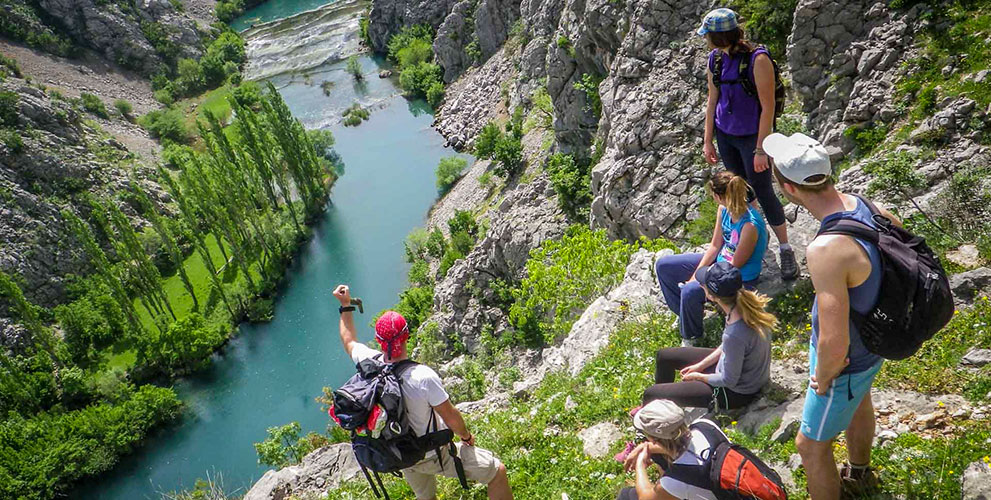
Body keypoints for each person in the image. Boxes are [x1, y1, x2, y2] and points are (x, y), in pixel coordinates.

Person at [764, 132, 896, 499]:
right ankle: (859, 473)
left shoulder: (826, 249)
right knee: (861, 401)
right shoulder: (870, 207)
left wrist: (823, 376)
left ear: (788, 189)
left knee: (810, 446)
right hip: (873, 341)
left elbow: (834, 343)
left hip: (846, 362)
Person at [332, 284, 513, 500]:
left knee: (424, 497)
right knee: (497, 471)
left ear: (379, 341)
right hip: (433, 453)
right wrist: (466, 436)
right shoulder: (423, 376)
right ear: (406, 335)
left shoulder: (368, 362)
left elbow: (348, 340)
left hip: (399, 452)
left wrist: (345, 305)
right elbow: (451, 416)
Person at [698, 8, 799, 280]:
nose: (705, 40)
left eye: (708, 35)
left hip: (753, 137)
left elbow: (767, 108)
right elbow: (712, 101)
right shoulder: (715, 59)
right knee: (737, 192)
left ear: (719, 35)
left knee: (763, 190)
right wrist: (708, 140)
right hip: (726, 135)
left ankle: (786, 248)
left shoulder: (758, 59)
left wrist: (761, 149)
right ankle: (748, 240)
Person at [654, 171, 768, 346]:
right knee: (664, 266)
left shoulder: (750, 225)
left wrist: (702, 281)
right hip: (720, 263)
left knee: (690, 291)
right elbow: (715, 246)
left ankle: (691, 338)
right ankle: (686, 315)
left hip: (737, 276)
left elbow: (735, 266)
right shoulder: (724, 210)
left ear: (718, 195)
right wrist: (697, 273)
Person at [644, 261, 774, 411]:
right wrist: (700, 366)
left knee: (651, 394)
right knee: (664, 356)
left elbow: (728, 380)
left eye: (703, 284)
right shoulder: (744, 307)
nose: (700, 285)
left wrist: (699, 376)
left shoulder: (735, 333)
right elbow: (728, 347)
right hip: (739, 371)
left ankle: (653, 416)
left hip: (737, 393)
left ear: (712, 296)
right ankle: (664, 407)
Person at [616, 399, 729, 500]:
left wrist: (640, 464)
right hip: (734, 487)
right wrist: (644, 447)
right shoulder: (705, 426)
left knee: (626, 495)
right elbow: (681, 448)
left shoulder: (676, 481)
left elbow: (645, 497)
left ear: (653, 439)